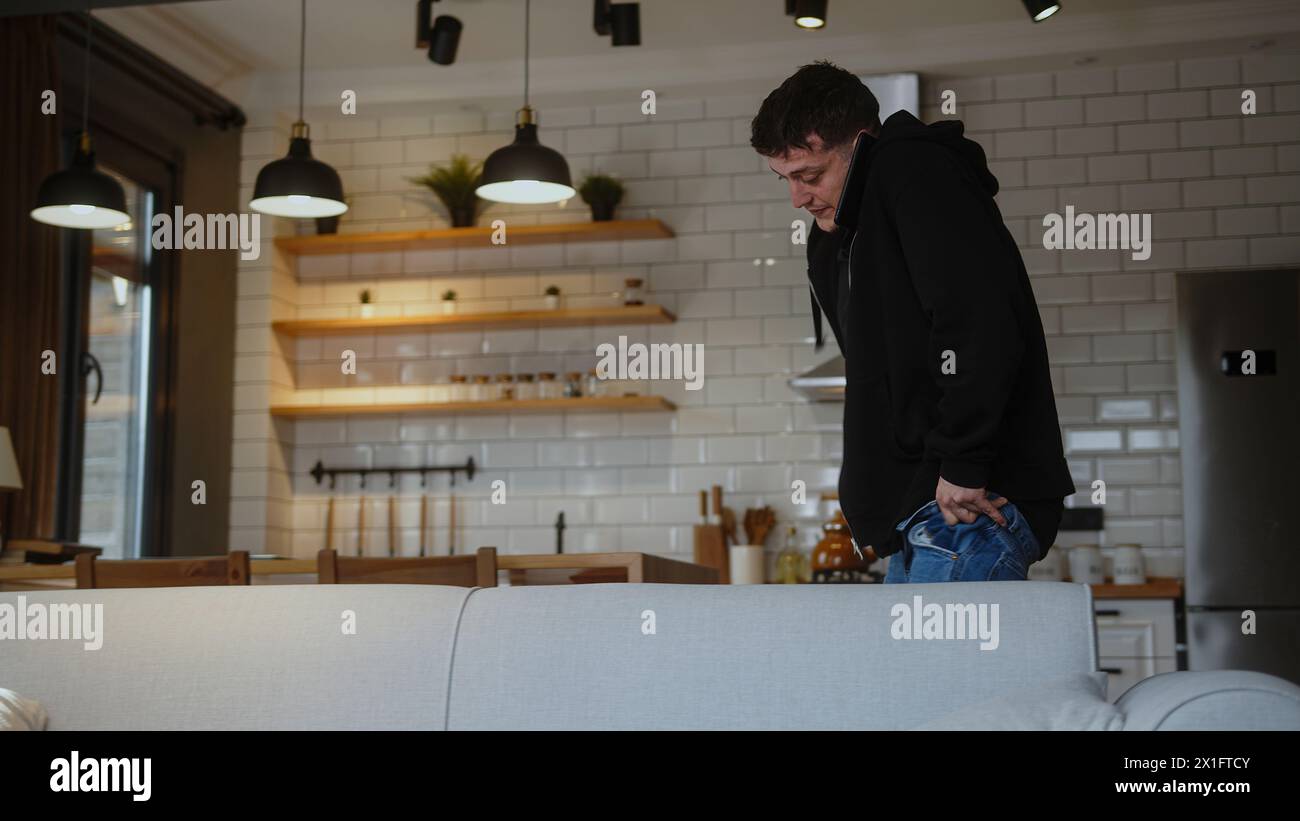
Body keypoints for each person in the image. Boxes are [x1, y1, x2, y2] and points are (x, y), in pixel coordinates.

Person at [750, 61, 1075, 582]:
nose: (797, 197)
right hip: (926, 506)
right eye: (784, 179)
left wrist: (964, 462)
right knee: (919, 667)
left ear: (860, 143)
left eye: (810, 175)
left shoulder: (915, 173)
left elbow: (981, 320)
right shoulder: (842, 229)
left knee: (941, 666)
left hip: (966, 505)